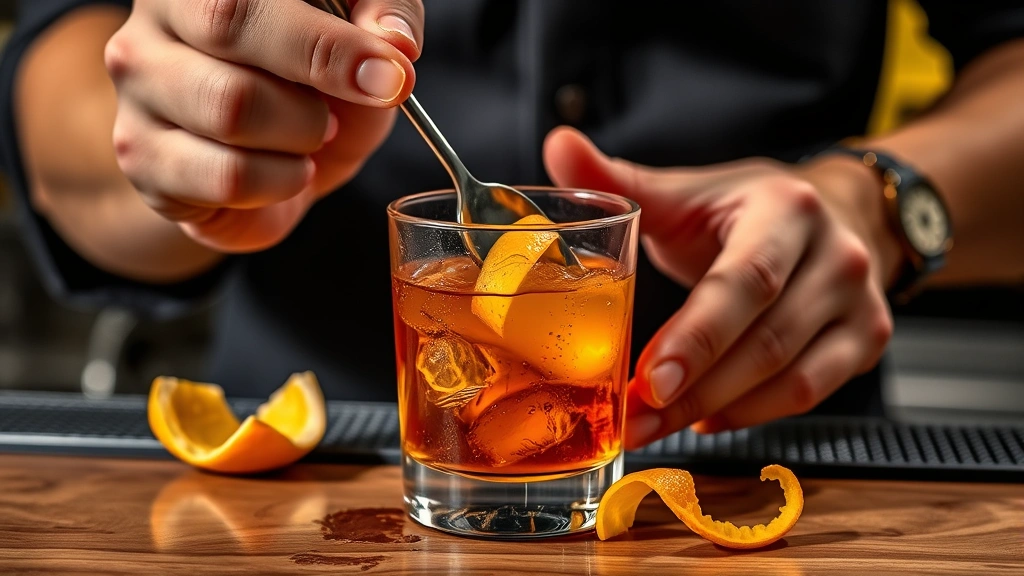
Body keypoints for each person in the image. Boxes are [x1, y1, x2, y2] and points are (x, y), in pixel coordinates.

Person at [1, 0, 1022, 450]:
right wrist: (184, 135)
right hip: (311, 477)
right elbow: (64, 87)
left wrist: (882, 201)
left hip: (777, 462)